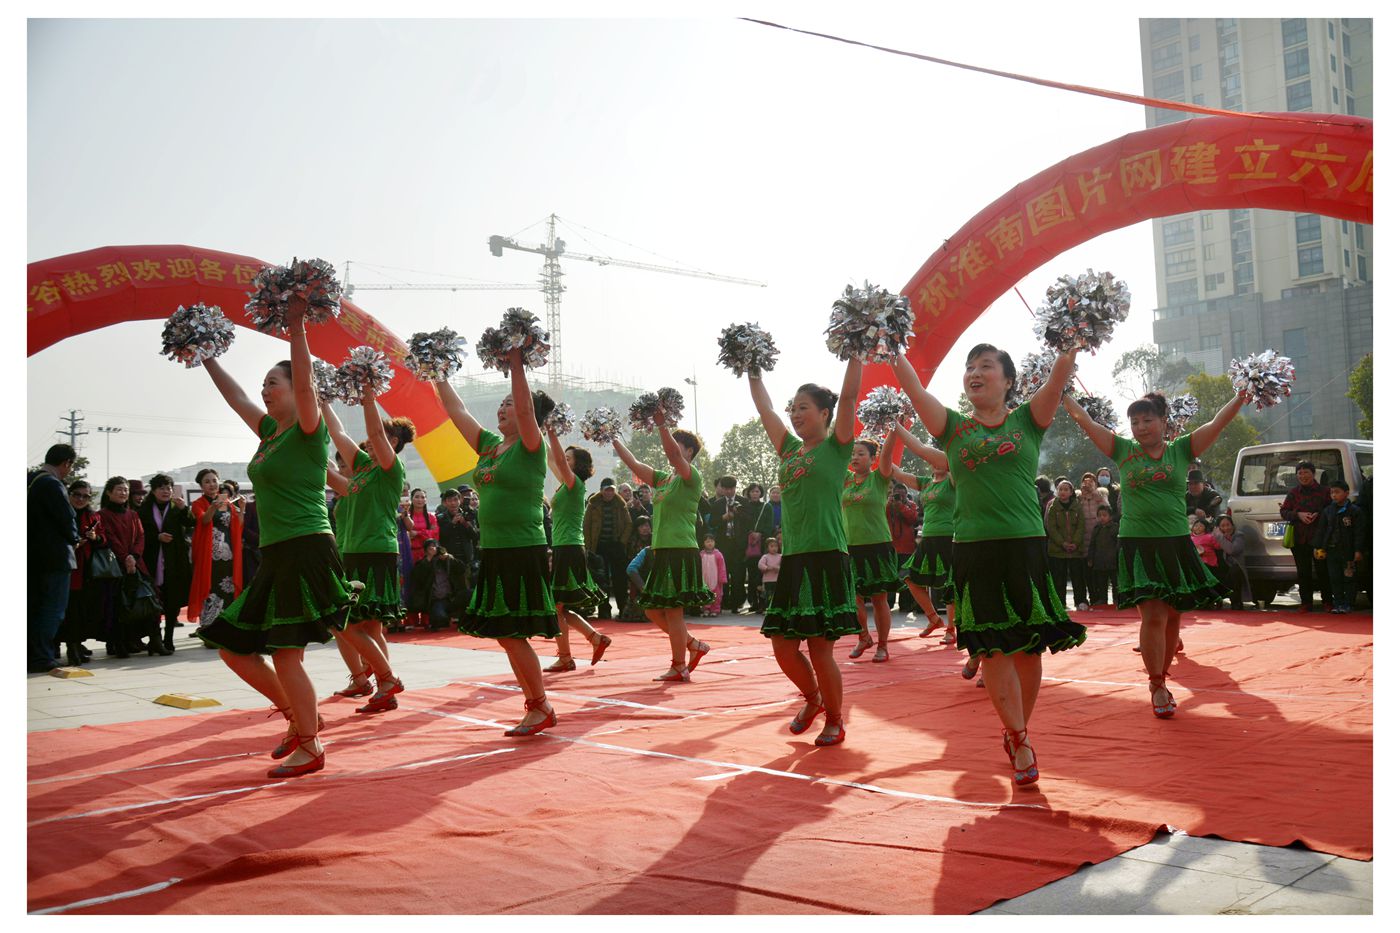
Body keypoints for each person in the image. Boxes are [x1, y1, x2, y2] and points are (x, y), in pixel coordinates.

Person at [896, 343, 1086, 787]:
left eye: (985, 366)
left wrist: (1072, 340)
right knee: (995, 647)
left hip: (1025, 548)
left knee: (1029, 649)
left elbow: (1058, 376)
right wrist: (890, 347)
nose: (974, 373)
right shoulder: (953, 428)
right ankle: (1019, 737)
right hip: (974, 550)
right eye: (969, 367)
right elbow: (916, 391)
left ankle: (1018, 729)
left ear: (1008, 381)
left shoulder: (1028, 421)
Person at [195, 297, 353, 779]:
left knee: (285, 653)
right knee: (232, 646)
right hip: (276, 553)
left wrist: (296, 325)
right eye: (263, 383)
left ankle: (311, 743)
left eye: (273, 383)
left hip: (306, 546)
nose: (265, 390)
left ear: (296, 390)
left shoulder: (309, 429)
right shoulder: (269, 434)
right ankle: (300, 719)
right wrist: (204, 353)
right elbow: (236, 398)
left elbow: (305, 383)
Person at [1062, 389, 1242, 720]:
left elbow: (1218, 422)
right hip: (1138, 543)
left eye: (1147, 420)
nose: (1140, 427)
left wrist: (1241, 395)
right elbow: (1086, 422)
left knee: (1173, 615)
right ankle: (1156, 683)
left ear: (1163, 421)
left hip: (1175, 543)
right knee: (1154, 615)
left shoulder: (1181, 450)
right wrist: (1063, 394)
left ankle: (1164, 673)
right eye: (1134, 422)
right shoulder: (1122, 450)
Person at [433, 347, 561, 735]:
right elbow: (457, 411)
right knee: (506, 634)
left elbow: (525, 408)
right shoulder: (490, 445)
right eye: (501, 404)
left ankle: (539, 705)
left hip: (522, 547)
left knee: (512, 633)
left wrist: (516, 361)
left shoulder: (531, 445)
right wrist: (437, 372)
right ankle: (537, 705)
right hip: (494, 549)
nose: (503, 408)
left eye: (509, 403)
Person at [748, 356, 863, 746]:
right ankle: (813, 698)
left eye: (803, 408)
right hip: (794, 559)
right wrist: (752, 368)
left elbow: (849, 397)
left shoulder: (837, 447)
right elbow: (765, 410)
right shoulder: (789, 450)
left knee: (819, 649)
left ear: (824, 413)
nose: (795, 415)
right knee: (782, 646)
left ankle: (835, 719)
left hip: (826, 556)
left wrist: (857, 351)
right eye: (793, 408)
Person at [320, 393, 413, 712]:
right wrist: (322, 402)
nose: (371, 440)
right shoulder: (361, 468)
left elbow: (373, 431)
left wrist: (368, 393)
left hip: (376, 553)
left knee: (343, 621)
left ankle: (386, 679)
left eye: (380, 436)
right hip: (354, 554)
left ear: (393, 442)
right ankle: (383, 690)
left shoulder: (391, 468)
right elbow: (338, 433)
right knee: (370, 628)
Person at [614, 418, 713, 681]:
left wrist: (661, 424)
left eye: (678, 444)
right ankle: (692, 644)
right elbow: (634, 464)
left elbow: (672, 455)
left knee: (673, 610)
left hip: (680, 549)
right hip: (662, 550)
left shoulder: (691, 477)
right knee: (651, 609)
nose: (671, 448)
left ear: (689, 451)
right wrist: (612, 437)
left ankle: (679, 665)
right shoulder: (663, 479)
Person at [542, 429, 611, 672]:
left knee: (556, 607)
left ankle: (566, 657)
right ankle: (594, 638)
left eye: (569, 458)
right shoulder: (566, 484)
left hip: (569, 547)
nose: (564, 459)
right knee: (561, 606)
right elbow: (551, 459)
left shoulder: (574, 483)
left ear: (577, 464)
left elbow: (557, 460)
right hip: (566, 547)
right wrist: (537, 431)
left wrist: (552, 432)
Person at [889, 421, 955, 642]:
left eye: (940, 459)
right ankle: (933, 618)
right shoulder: (926, 483)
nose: (936, 463)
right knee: (910, 579)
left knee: (950, 584)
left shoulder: (953, 480)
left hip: (950, 537)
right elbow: (897, 473)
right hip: (928, 538)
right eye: (932, 460)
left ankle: (951, 629)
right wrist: (882, 448)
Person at [843, 435, 902, 663]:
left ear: (872, 458)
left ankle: (883, 645)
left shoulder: (879, 478)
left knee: (879, 599)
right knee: (853, 598)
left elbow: (887, 455)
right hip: (850, 547)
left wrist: (893, 431)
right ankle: (864, 636)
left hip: (877, 546)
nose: (855, 457)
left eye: (861, 454)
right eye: (853, 454)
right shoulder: (846, 479)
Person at [28, 444, 79, 673]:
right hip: (54, 558)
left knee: (34, 607)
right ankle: (42, 657)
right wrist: (75, 538)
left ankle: (30, 654)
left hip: (32, 556)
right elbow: (66, 518)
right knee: (52, 609)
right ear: (66, 463)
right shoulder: (52, 484)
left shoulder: (30, 480)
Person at [137, 474, 192, 655]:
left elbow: (191, 523)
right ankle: (155, 638)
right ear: (153, 491)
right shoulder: (144, 510)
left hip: (174, 562)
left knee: (172, 602)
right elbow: (140, 534)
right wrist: (157, 537)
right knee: (153, 603)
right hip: (152, 562)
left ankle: (168, 638)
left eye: (168, 488)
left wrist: (184, 509)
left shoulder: (177, 507)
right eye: (161, 488)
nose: (166, 491)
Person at [97, 476, 151, 658]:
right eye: (119, 489)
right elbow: (110, 538)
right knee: (115, 605)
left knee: (135, 602)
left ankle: (132, 639)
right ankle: (115, 642)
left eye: (125, 490)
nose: (123, 493)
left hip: (135, 564)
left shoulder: (133, 515)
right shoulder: (102, 515)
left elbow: (140, 537)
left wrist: (133, 556)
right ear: (109, 492)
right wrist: (125, 557)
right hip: (114, 567)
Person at [1280, 461, 1333, 613]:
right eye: (1300, 473)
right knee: (1303, 572)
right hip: (1299, 538)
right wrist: (1298, 515)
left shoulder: (1325, 491)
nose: (1303, 476)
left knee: (1323, 571)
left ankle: (1328, 601)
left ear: (1313, 474)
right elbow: (1284, 512)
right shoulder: (1293, 493)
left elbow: (1332, 508)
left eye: (1306, 472)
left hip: (1320, 538)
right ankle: (1306, 602)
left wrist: (1319, 514)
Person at [59, 479, 102, 666]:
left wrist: (95, 537)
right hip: (67, 569)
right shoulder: (62, 513)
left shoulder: (92, 516)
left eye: (86, 496)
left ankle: (77, 645)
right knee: (70, 611)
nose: (81, 499)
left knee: (82, 611)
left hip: (87, 571)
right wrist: (73, 544)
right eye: (77, 495)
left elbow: (103, 539)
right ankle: (71, 647)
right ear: (69, 494)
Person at [583, 477, 634, 620]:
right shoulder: (592, 504)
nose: (609, 493)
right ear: (601, 491)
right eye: (607, 490)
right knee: (601, 580)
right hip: (599, 547)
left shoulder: (621, 504)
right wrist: (589, 547)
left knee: (620, 579)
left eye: (612, 490)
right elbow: (586, 526)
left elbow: (629, 524)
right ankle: (604, 610)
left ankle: (623, 608)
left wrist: (622, 542)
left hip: (616, 546)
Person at [1319, 480, 1365, 614]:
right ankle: (1338, 603)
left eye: (1337, 492)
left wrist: (1358, 550)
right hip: (1332, 550)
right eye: (1332, 492)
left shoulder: (1354, 511)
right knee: (1334, 578)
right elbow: (1322, 530)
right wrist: (1319, 547)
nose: (1334, 495)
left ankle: (1349, 604)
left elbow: (1359, 532)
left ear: (1346, 493)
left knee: (1349, 577)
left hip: (1348, 551)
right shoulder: (1328, 511)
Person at [1044, 479, 1088, 614]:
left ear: (1071, 492)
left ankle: (1080, 601)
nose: (1062, 492)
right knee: (1058, 577)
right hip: (1057, 549)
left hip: (1076, 549)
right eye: (1060, 489)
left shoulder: (1077, 506)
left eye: (1066, 489)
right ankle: (1060, 603)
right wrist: (1062, 543)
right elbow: (1050, 527)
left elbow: (1081, 526)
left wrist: (1075, 542)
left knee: (1078, 577)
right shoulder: (1053, 507)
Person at [407, 538, 470, 629]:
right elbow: (417, 576)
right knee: (440, 618)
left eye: (435, 547)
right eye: (430, 547)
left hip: (453, 597)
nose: (433, 549)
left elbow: (462, 568)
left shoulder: (447, 561)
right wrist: (429, 558)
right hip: (439, 600)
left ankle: (461, 618)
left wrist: (449, 557)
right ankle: (443, 617)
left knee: (469, 595)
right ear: (425, 551)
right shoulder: (423, 564)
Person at [708, 476, 749, 613]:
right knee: (723, 573)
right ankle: (724, 602)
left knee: (738, 573)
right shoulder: (717, 504)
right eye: (726, 489)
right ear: (722, 488)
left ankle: (737, 603)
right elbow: (712, 522)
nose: (729, 491)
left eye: (731, 488)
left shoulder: (743, 502)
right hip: (723, 543)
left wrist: (739, 513)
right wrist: (723, 518)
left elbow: (750, 520)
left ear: (735, 488)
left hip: (738, 544)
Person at [885, 479, 920, 613]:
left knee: (906, 577)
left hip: (907, 548)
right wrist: (889, 504)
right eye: (896, 494)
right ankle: (888, 603)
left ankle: (905, 604)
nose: (899, 497)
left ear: (906, 494)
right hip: (890, 547)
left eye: (901, 494)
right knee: (890, 576)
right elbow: (881, 516)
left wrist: (900, 505)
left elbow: (913, 519)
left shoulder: (911, 505)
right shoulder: (888, 505)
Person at [1213, 515, 1253, 611]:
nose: (1226, 528)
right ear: (1218, 528)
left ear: (1232, 525)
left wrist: (1220, 537)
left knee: (1235, 572)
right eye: (1222, 526)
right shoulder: (1213, 536)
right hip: (1220, 566)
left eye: (1228, 525)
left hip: (1234, 566)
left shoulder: (1239, 535)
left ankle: (1236, 602)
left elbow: (1232, 550)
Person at [1085, 505, 1119, 609]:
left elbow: (1118, 544)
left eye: (1104, 515)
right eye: (1099, 515)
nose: (1102, 518)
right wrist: (1090, 558)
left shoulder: (1115, 528)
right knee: (1101, 582)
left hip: (1112, 560)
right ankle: (1103, 599)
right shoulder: (1097, 529)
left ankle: (1117, 599)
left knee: (1115, 582)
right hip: (1099, 560)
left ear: (1110, 516)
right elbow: (1092, 545)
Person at [697, 534, 727, 617]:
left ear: (714, 542)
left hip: (715, 579)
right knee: (704, 594)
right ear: (704, 543)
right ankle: (706, 609)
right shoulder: (701, 554)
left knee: (716, 595)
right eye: (707, 541)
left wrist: (722, 578)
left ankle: (715, 609)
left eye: (711, 541)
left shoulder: (718, 554)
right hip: (704, 580)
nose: (710, 543)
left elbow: (722, 567)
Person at [757, 537, 782, 613]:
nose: (774, 548)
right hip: (768, 581)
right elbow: (760, 564)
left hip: (778, 580)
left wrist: (779, 568)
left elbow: (784, 566)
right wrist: (767, 568)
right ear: (767, 547)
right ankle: (768, 608)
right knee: (768, 595)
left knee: (777, 595)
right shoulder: (765, 556)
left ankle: (776, 609)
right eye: (771, 546)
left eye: (776, 546)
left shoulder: (780, 556)